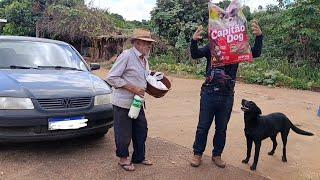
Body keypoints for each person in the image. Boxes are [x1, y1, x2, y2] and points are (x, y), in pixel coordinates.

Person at [190, 20, 263, 168]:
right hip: (209, 93)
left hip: (227, 95)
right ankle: (197, 154)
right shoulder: (212, 46)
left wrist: (259, 37)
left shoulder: (237, 47)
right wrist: (193, 40)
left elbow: (256, 52)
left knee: (221, 128)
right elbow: (195, 54)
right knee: (203, 126)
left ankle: (217, 155)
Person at [106, 29, 155, 171]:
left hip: (137, 102)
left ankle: (139, 157)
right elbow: (112, 77)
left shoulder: (145, 59)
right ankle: (123, 159)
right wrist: (133, 88)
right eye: (147, 43)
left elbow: (143, 78)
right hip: (123, 102)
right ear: (138, 43)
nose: (149, 46)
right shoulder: (127, 55)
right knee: (123, 132)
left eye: (149, 44)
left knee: (141, 129)